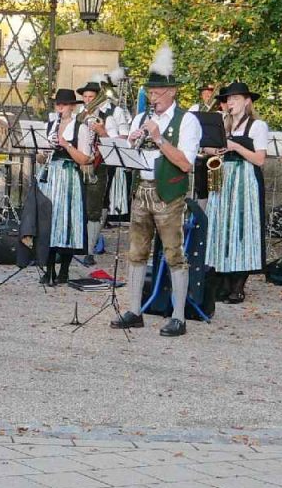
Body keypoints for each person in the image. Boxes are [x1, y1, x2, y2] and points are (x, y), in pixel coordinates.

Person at [114, 47, 202, 336]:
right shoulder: (141, 117)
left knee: (174, 253)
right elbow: (130, 154)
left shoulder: (187, 120)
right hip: (141, 190)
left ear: (172, 92)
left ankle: (179, 316)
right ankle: (134, 311)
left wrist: (158, 138)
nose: (153, 98)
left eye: (157, 93)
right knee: (136, 252)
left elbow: (186, 163)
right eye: (150, 93)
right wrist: (132, 142)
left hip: (169, 193)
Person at [202, 83, 269, 305]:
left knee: (242, 228)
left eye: (236, 98)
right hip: (223, 178)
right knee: (221, 227)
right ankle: (222, 281)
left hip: (245, 179)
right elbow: (208, 148)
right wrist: (216, 149)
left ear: (247, 101)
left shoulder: (257, 125)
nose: (230, 102)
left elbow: (260, 159)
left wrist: (236, 147)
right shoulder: (223, 123)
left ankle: (238, 285)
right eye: (228, 99)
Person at [39, 89, 94, 286]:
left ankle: (64, 270)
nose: (60, 108)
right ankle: (49, 270)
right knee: (48, 220)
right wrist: (44, 152)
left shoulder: (80, 128)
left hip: (69, 176)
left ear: (72, 107)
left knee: (67, 221)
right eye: (58, 104)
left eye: (63, 104)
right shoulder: (49, 126)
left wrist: (66, 145)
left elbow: (85, 159)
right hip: (50, 175)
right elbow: (39, 158)